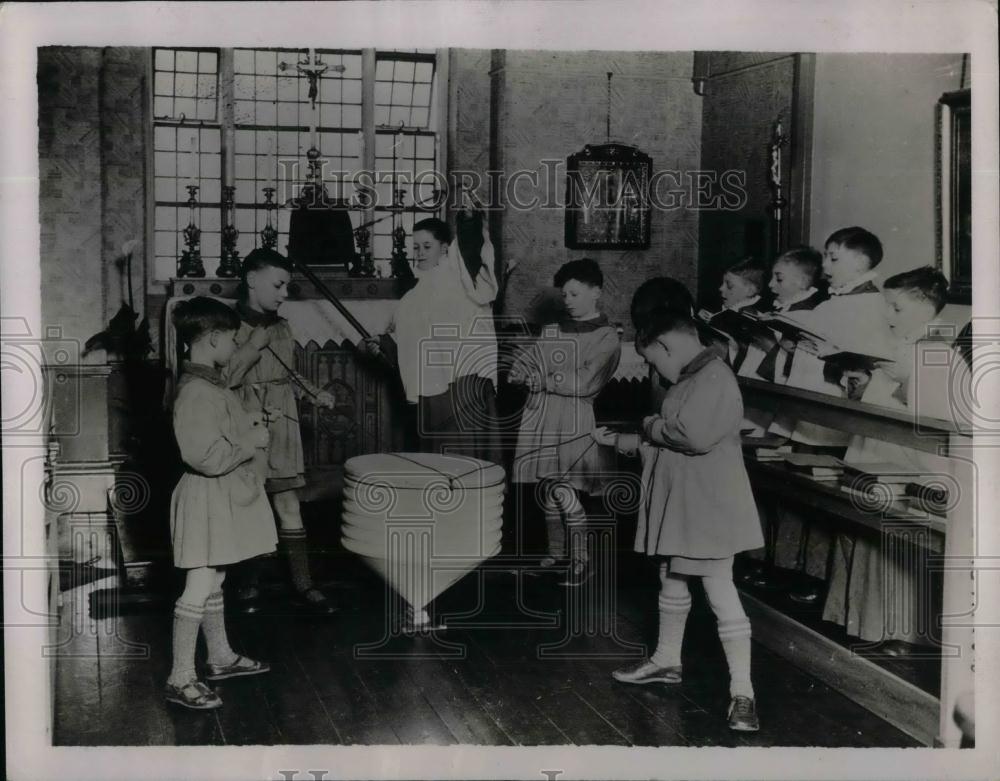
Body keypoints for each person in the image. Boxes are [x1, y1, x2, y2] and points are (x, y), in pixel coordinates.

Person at [594, 307, 764, 731]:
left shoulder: (714, 377)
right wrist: (628, 442)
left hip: (708, 506)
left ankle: (743, 692)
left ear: (669, 345)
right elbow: (675, 442)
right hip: (684, 502)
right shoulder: (692, 377)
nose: (656, 371)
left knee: (720, 592)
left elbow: (691, 436)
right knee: (671, 576)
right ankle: (667, 660)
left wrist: (648, 426)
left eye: (654, 361)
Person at [822, 267, 957, 653]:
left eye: (895, 308)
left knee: (897, 542)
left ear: (923, 307)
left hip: (912, 460)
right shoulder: (902, 345)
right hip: (879, 450)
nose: (888, 316)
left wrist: (906, 382)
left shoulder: (936, 348)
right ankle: (861, 620)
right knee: (867, 533)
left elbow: (938, 414)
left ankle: (901, 631)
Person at [165, 297, 276, 709]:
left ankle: (220, 657)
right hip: (204, 497)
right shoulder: (195, 391)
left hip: (216, 497)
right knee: (198, 584)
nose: (235, 346)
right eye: (232, 339)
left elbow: (219, 433)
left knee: (214, 579)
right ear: (213, 339)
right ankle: (180, 677)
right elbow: (206, 457)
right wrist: (250, 443)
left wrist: (248, 426)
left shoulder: (208, 383)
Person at [225, 248, 338, 616]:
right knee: (249, 504)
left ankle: (304, 584)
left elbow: (287, 373)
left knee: (288, 503)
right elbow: (226, 379)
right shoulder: (226, 326)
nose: (284, 294)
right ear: (252, 280)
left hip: (283, 416)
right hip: (247, 419)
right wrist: (251, 348)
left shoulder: (282, 325)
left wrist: (313, 392)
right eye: (278, 285)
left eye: (287, 286)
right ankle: (248, 581)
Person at [510, 258, 621, 587]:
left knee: (566, 490)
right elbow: (532, 360)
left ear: (596, 293)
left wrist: (544, 379)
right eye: (564, 294)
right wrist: (521, 370)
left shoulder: (607, 338)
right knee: (548, 488)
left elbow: (585, 381)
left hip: (572, 418)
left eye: (574, 294)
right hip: (541, 415)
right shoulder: (553, 329)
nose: (567, 300)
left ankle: (582, 559)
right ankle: (556, 553)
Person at [360, 207, 501, 464]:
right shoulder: (416, 293)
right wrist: (384, 343)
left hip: (460, 384)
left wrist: (468, 220)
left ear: (446, 248)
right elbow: (413, 334)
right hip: (432, 384)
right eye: (416, 248)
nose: (420, 253)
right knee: (437, 458)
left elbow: (472, 246)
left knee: (460, 458)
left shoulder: (461, 278)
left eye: (427, 246)